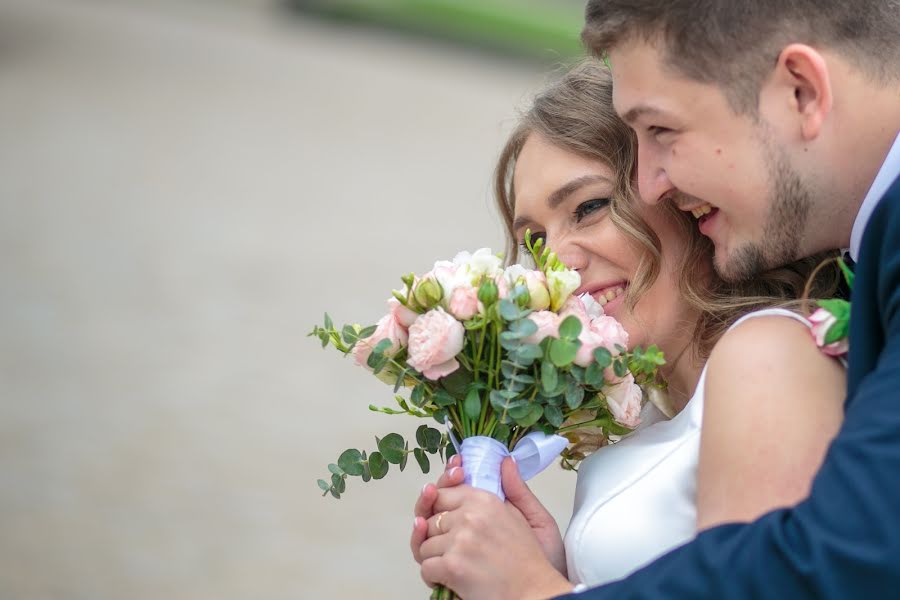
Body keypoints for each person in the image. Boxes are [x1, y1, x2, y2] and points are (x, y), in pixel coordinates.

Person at [408, 61, 846, 599]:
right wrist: (549, 567)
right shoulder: (658, 412)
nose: (560, 265)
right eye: (536, 240)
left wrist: (529, 589)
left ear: (682, 194)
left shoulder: (769, 356)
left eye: (590, 207)